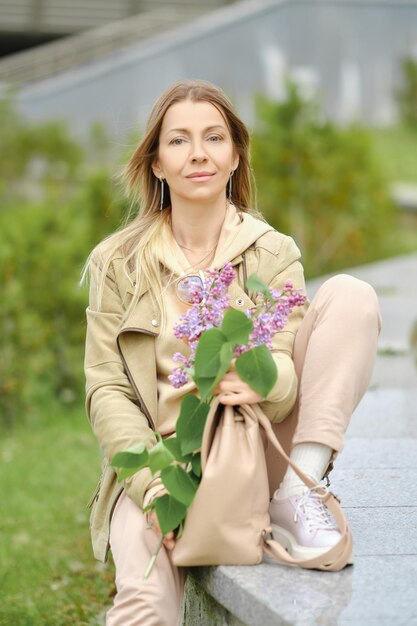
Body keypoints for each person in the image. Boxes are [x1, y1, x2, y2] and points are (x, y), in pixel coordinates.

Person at [81, 79, 381, 626]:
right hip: (165, 465)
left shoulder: (272, 250)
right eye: (178, 141)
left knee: (352, 297)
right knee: (144, 606)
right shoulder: (117, 262)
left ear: (235, 154)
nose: (198, 153)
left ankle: (298, 492)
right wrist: (152, 489)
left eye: (214, 137)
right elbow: (107, 387)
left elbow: (287, 358)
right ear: (156, 163)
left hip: (254, 451)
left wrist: (267, 382)